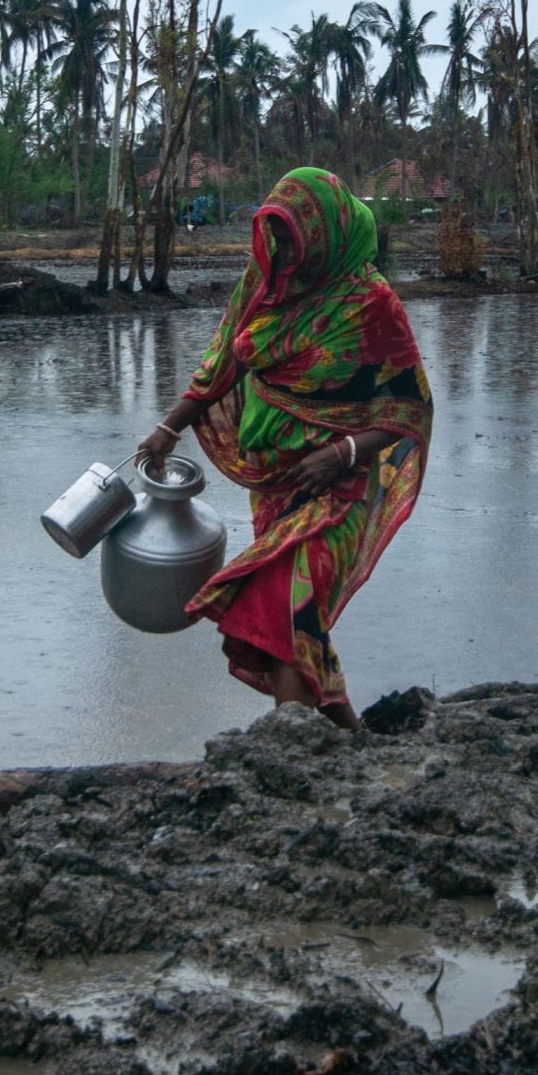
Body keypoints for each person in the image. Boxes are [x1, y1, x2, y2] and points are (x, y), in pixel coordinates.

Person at [139, 167, 432, 727]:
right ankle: (348, 744)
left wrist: (343, 453)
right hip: (274, 488)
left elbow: (410, 408)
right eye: (274, 235)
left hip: (337, 490)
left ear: (327, 234)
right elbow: (222, 362)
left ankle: (292, 748)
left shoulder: (372, 304)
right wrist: (169, 428)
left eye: (294, 237)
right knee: (298, 623)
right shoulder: (267, 285)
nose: (282, 249)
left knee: (278, 604)